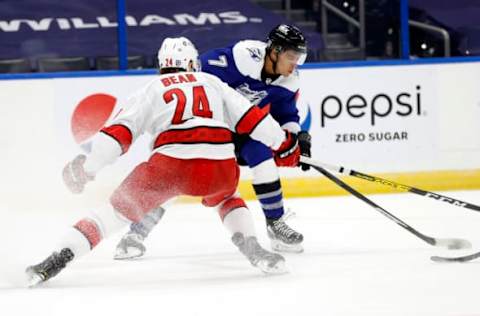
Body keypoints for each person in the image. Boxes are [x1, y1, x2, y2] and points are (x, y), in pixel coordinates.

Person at [25, 37, 296, 286]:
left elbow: (116, 138)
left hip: (170, 166)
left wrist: (87, 169)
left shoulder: (151, 89)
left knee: (113, 214)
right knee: (228, 197)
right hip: (220, 164)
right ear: (192, 63)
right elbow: (255, 120)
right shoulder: (213, 82)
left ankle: (59, 256)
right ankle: (252, 245)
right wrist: (285, 145)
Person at [114, 24, 312, 260]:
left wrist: (298, 138)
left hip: (244, 129)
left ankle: (275, 224)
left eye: (299, 58)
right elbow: (195, 75)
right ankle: (136, 233)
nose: (295, 64)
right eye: (291, 57)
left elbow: (286, 115)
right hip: (210, 127)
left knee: (262, 155)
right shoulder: (243, 57)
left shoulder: (290, 80)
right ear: (275, 51)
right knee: (176, 175)